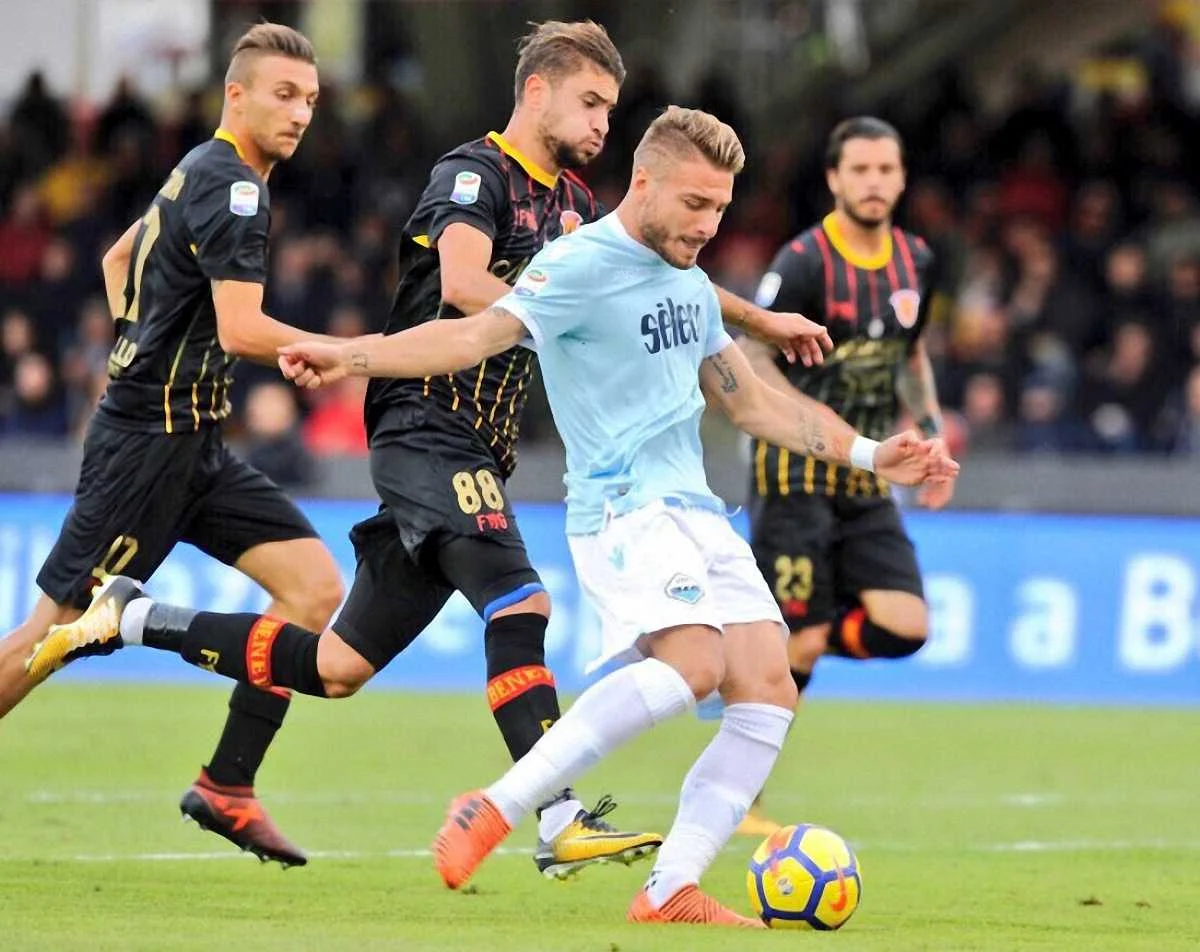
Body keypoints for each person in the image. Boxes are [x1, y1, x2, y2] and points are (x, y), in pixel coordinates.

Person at [42, 106, 959, 924]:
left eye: (720, 208)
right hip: (622, 510)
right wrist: (345, 354)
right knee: (692, 661)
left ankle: (669, 888)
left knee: (767, 689)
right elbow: (468, 333)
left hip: (696, 509)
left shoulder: (685, 280)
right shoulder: (578, 264)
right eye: (694, 204)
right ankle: (507, 805)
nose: (708, 225)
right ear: (644, 185)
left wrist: (875, 454)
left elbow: (752, 403)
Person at [0, 23, 344, 867]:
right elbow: (241, 328)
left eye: (309, 99)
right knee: (50, 639)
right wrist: (346, 352)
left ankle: (227, 785)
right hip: (145, 449)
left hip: (195, 444)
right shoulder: (237, 189)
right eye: (283, 95)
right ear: (236, 95)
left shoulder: (198, 165)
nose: (300, 113)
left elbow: (119, 257)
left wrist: (138, 340)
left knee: (312, 589)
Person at [738, 116, 952, 836]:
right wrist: (812, 422)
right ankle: (740, 798)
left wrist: (931, 434)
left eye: (886, 169)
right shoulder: (803, 262)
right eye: (859, 169)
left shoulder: (917, 260)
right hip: (793, 473)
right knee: (797, 645)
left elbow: (910, 356)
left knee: (906, 625)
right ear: (834, 179)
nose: (873, 182)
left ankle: (771, 647)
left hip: (868, 477)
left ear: (902, 177)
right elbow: (752, 356)